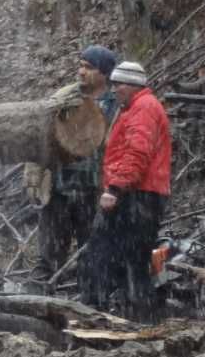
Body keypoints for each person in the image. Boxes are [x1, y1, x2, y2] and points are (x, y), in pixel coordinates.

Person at [81, 60, 172, 321]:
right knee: (131, 260)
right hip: (140, 194)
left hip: (136, 195)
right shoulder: (136, 107)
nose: (114, 89)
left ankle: (97, 313)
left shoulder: (143, 109)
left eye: (119, 84)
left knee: (105, 255)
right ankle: (132, 314)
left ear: (133, 85)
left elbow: (136, 153)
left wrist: (114, 188)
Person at [32, 45, 120, 289]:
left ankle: (90, 302)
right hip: (58, 188)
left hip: (93, 190)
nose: (81, 72)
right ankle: (37, 302)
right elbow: (40, 136)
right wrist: (33, 175)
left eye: (89, 68)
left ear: (105, 73)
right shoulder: (65, 97)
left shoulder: (116, 105)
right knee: (49, 254)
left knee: (92, 250)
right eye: (80, 66)